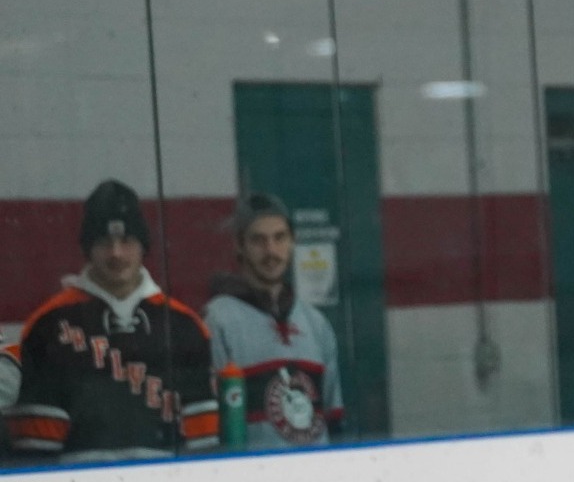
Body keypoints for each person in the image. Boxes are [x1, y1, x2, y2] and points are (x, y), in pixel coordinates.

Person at [4, 179, 217, 461]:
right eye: (105, 241)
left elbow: (205, 447)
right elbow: (35, 451)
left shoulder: (185, 326)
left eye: (126, 241)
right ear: (88, 248)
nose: (116, 253)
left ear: (143, 246)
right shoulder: (48, 325)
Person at [204, 193, 343, 447]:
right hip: (253, 481)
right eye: (259, 240)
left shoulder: (316, 323)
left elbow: (333, 420)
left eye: (280, 238)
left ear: (292, 241)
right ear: (239, 245)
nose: (271, 250)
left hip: (316, 478)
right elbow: (212, 432)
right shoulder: (217, 321)